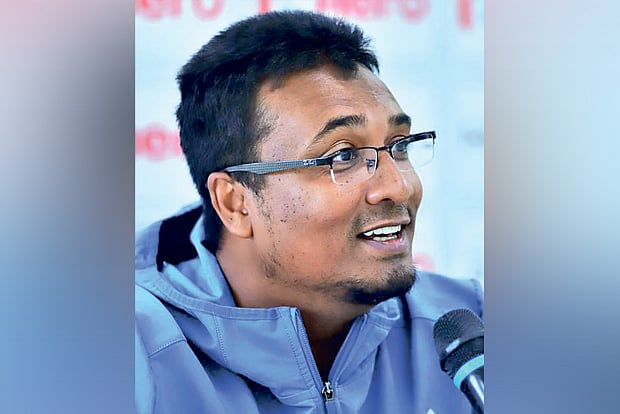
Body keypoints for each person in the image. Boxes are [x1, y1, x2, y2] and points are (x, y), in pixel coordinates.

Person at [135, 10, 483, 414]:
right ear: (235, 203)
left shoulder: (472, 329)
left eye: (399, 146)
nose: (398, 186)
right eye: (343, 156)